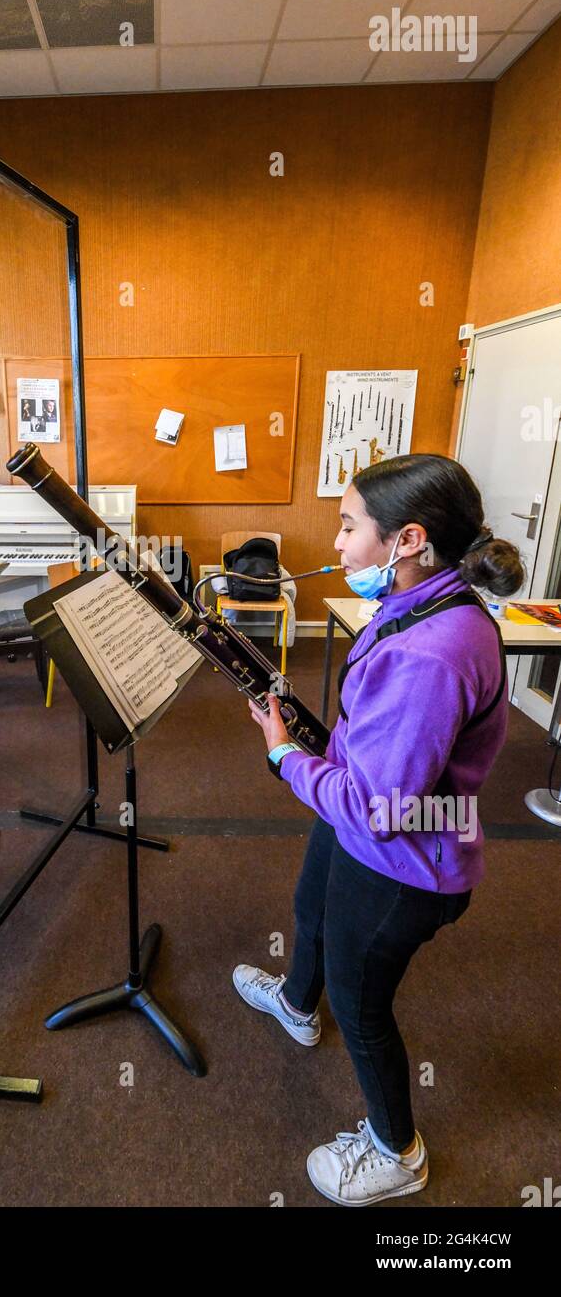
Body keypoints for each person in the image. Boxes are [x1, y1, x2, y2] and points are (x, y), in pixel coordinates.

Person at [233, 453, 524, 1206]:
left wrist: (284, 757)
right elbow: (376, 743)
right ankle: (299, 1004)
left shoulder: (437, 651)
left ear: (407, 539)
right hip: (383, 824)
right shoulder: (426, 598)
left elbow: (377, 808)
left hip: (403, 861)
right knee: (311, 906)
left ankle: (398, 1151)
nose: (335, 544)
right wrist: (319, 739)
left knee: (363, 1009)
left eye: (348, 526)